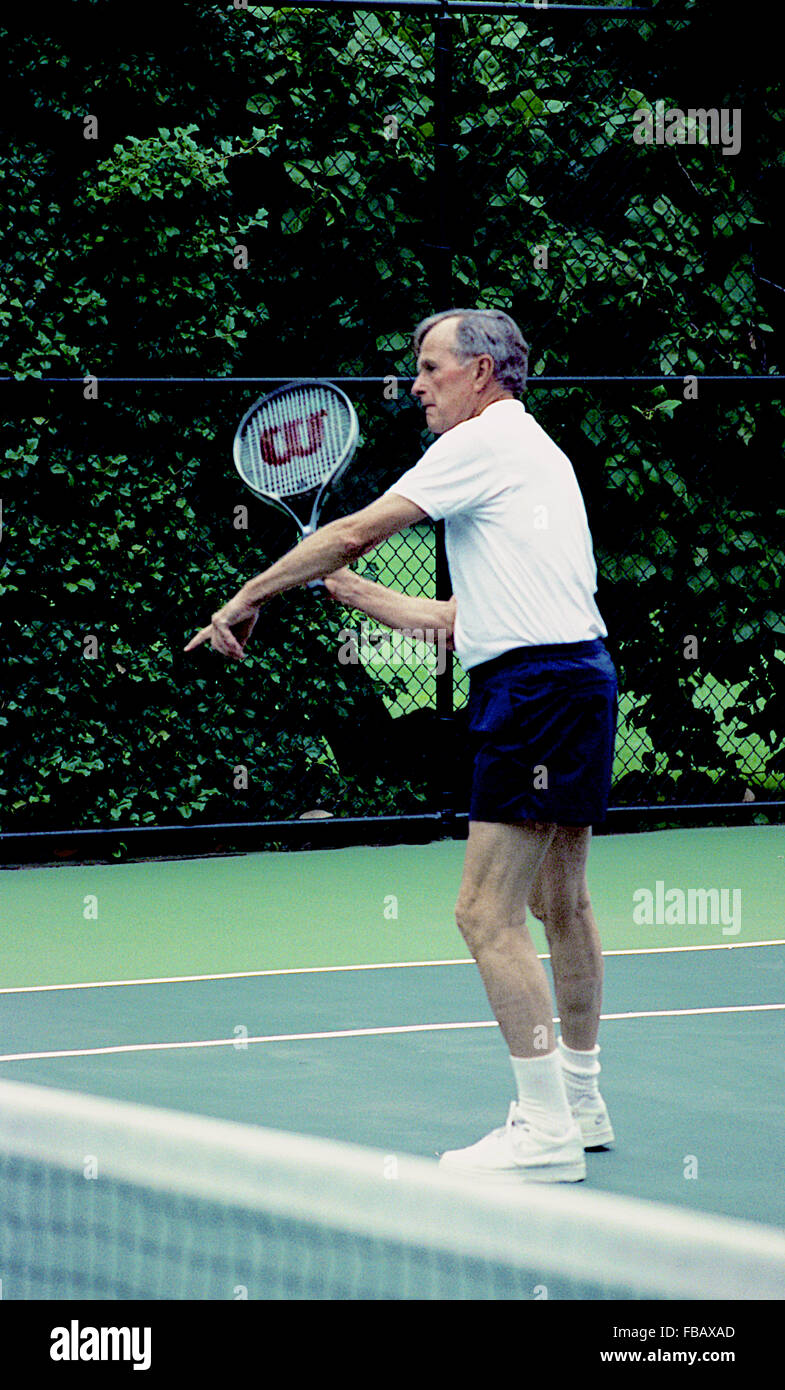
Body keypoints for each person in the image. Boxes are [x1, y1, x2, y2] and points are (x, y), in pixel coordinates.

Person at [185, 308, 618, 1183]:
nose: (415, 385)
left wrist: (243, 598)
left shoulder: (477, 444)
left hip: (532, 694)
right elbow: (462, 620)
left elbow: (349, 529)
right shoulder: (538, 453)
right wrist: (353, 593)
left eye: (430, 367)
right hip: (577, 678)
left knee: (481, 914)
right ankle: (578, 1099)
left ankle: (542, 1132)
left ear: (483, 373)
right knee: (558, 905)